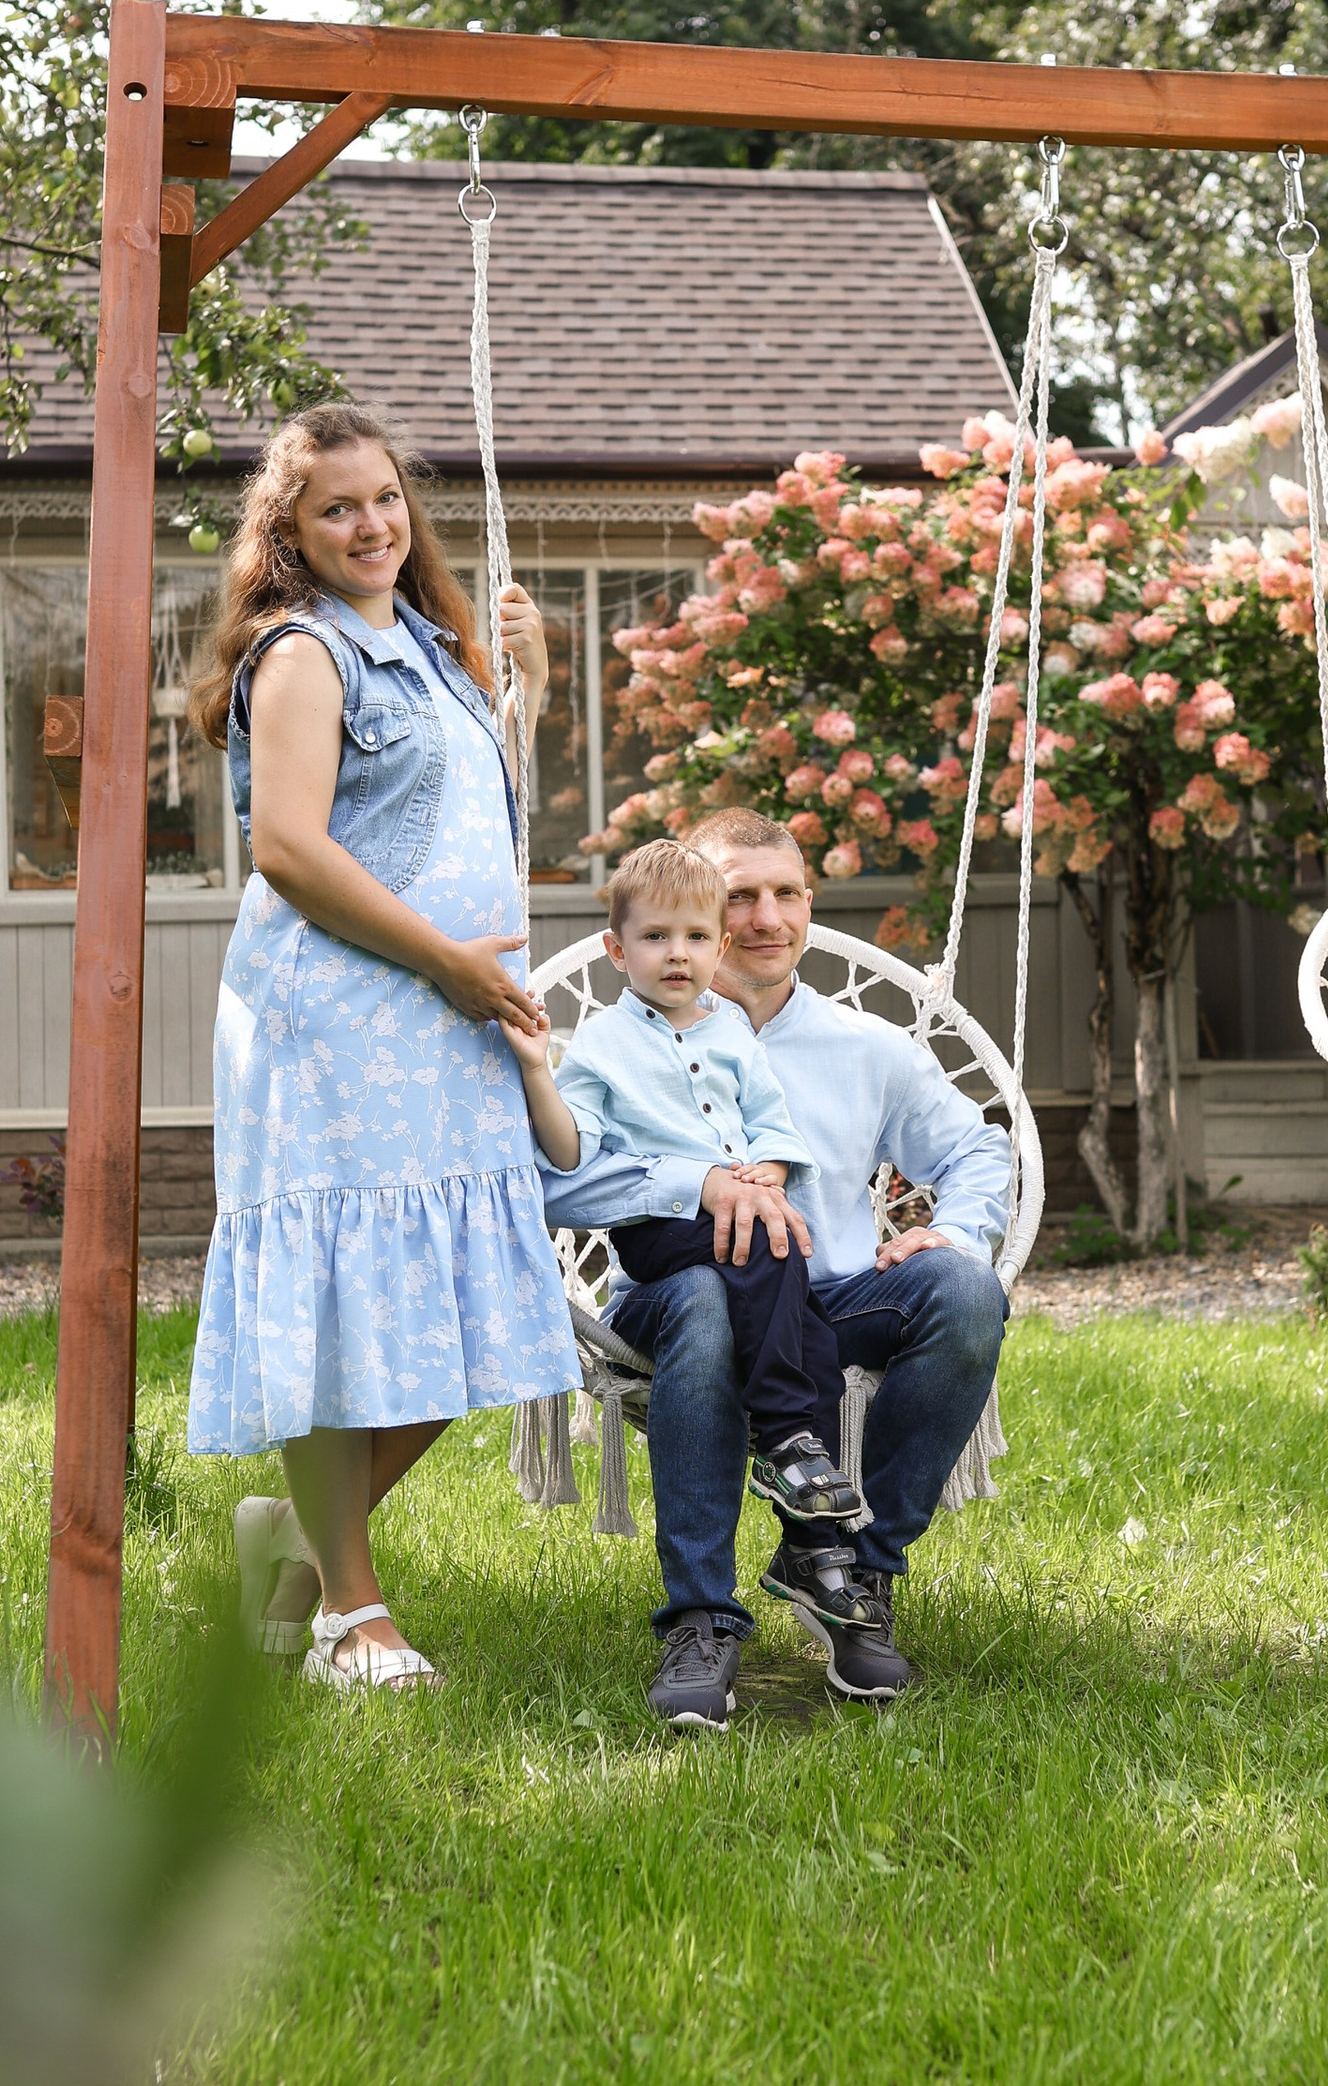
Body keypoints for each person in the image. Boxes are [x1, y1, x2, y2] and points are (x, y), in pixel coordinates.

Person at [183, 402, 577, 1689]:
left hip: (444, 1014)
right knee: (349, 1312)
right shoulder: (303, 655)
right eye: (336, 507)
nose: (370, 524)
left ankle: (289, 1545)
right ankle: (350, 1618)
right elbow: (289, 850)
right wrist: (447, 963)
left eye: (385, 499)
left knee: (463, 1317)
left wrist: (530, 680)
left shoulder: (422, 643)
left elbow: (463, 806)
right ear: (289, 534)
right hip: (337, 1023)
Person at [601, 809, 1013, 1726]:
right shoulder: (627, 1045)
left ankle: (852, 1570)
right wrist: (694, 1185)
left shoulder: (863, 1047)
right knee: (709, 1296)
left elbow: (978, 1151)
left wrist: (959, 1229)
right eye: (738, 896)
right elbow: (566, 1167)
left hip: (821, 1296)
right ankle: (701, 1619)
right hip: (669, 1298)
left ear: (810, 905)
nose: (765, 918)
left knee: (964, 1290)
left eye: (785, 893)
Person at [508, 838, 867, 1545]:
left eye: (696, 937)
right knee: (772, 1253)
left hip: (743, 1227)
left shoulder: (731, 1030)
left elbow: (770, 1119)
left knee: (807, 1320)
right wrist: (535, 1072)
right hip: (658, 1229)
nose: (678, 954)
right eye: (655, 937)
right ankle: (784, 1436)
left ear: (720, 944)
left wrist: (774, 1171)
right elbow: (568, 1152)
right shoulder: (604, 1042)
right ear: (617, 949)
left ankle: (813, 1486)